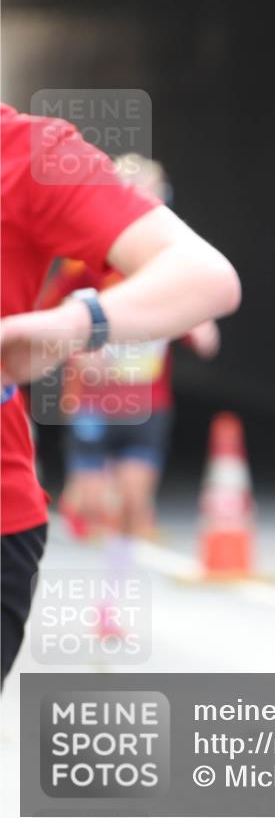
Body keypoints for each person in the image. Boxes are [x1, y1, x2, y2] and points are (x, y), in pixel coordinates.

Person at [0, 0, 241, 685]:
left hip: (20, 499)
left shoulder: (33, 155)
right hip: (94, 409)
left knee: (127, 502)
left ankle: (112, 595)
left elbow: (204, 277)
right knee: (100, 496)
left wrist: (71, 324)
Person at [34, 153, 221, 539]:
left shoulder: (173, 263)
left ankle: (118, 526)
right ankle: (81, 499)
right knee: (95, 508)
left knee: (134, 505)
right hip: (94, 398)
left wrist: (199, 325)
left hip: (147, 398)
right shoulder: (85, 260)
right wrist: (78, 349)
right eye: (135, 197)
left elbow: (198, 322)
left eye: (154, 198)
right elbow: (45, 317)